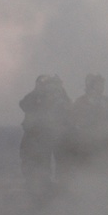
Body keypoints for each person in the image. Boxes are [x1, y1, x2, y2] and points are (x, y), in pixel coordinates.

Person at [19, 74, 72, 202]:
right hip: (32, 139)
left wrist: (60, 92)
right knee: (31, 168)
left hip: (48, 139)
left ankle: (47, 194)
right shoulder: (35, 97)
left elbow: (68, 109)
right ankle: (34, 194)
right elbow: (23, 104)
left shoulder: (59, 97)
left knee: (46, 167)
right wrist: (37, 91)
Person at [66, 73, 108, 182]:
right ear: (91, 86)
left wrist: (105, 128)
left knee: (102, 171)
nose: (102, 87)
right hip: (85, 144)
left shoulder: (105, 101)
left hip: (102, 143)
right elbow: (73, 121)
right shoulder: (80, 101)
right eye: (99, 84)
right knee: (84, 171)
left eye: (102, 85)